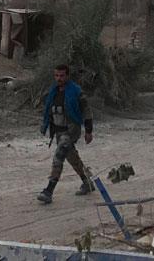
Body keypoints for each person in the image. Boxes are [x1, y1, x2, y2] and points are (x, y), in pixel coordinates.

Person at [36, 64, 95, 204]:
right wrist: (45, 125)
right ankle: (87, 182)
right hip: (59, 131)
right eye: (56, 75)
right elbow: (49, 111)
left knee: (59, 157)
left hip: (71, 130)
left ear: (67, 76)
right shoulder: (53, 91)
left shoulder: (76, 91)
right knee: (71, 157)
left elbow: (86, 110)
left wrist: (88, 130)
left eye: (62, 76)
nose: (59, 78)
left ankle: (48, 191)